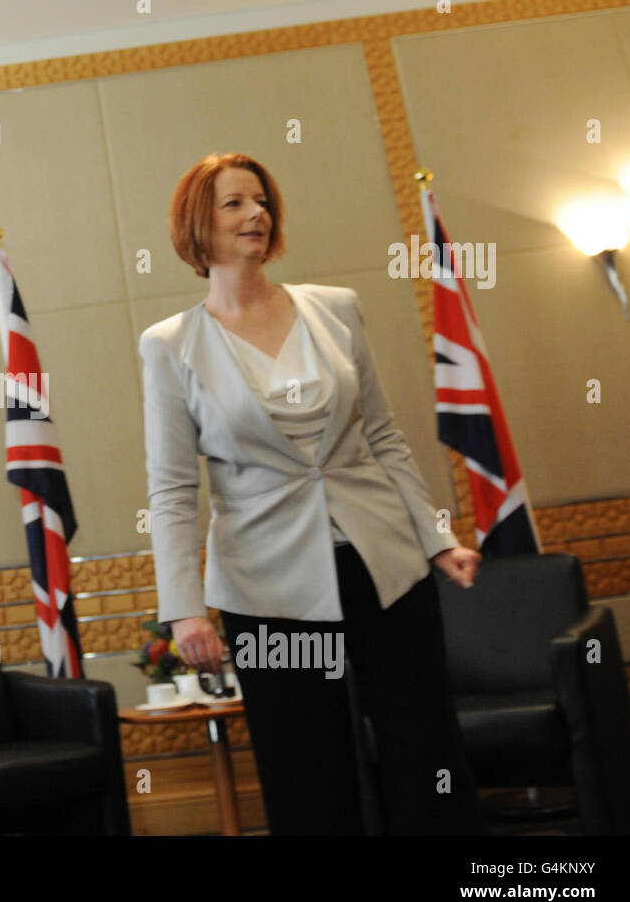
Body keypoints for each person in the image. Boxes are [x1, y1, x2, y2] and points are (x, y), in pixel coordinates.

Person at [139, 152, 485, 835]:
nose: (257, 213)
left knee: (426, 753)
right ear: (196, 227)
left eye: (261, 200)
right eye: (235, 202)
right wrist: (184, 609)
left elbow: (385, 437)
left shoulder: (336, 309)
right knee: (306, 770)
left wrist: (436, 536)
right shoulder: (170, 344)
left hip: (383, 563)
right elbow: (174, 488)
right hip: (267, 586)